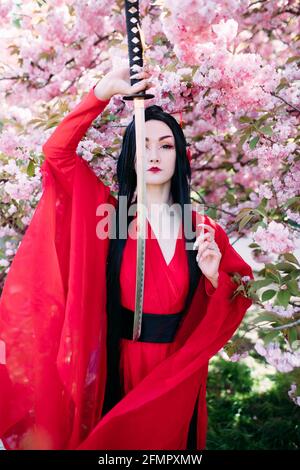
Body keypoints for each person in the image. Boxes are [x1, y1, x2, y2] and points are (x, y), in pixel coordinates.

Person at [0, 65, 253, 450]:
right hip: (116, 365)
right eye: (144, 144)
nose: (154, 154)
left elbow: (238, 293)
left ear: (179, 156)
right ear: (130, 155)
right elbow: (57, 153)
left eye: (165, 145)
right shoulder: (109, 216)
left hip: (176, 369)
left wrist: (216, 278)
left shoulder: (202, 229)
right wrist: (101, 92)